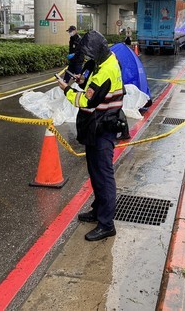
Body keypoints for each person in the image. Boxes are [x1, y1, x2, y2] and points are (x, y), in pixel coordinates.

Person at [57, 30, 123, 242]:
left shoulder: (107, 70)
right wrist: (81, 80)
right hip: (97, 127)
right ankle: (98, 211)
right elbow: (92, 87)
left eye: (89, 54)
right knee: (95, 174)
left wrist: (67, 89)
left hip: (103, 128)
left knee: (104, 176)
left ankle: (106, 224)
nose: (87, 58)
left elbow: (87, 101)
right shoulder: (103, 62)